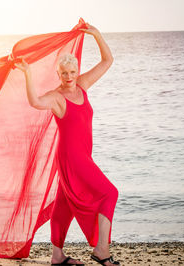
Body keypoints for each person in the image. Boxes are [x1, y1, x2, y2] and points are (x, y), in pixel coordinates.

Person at [14, 23, 120, 266]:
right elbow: (35, 102)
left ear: (77, 70)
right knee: (109, 193)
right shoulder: (56, 97)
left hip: (82, 155)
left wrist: (96, 34)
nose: (70, 77)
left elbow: (107, 61)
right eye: (65, 73)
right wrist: (28, 74)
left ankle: (57, 256)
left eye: (73, 72)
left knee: (64, 205)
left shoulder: (82, 85)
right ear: (59, 75)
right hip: (72, 158)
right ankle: (102, 250)